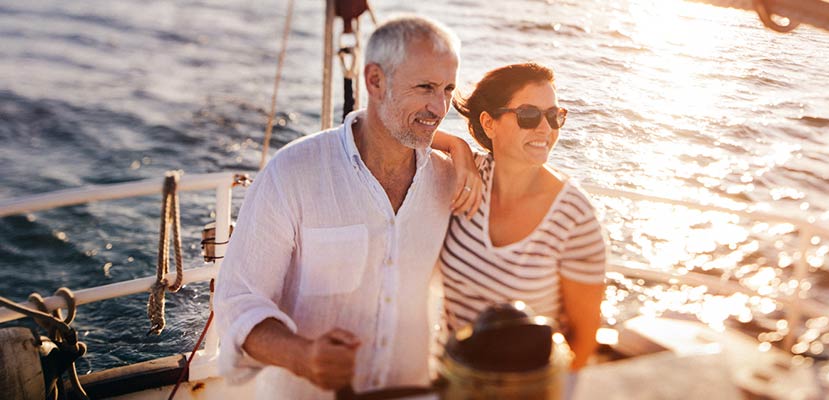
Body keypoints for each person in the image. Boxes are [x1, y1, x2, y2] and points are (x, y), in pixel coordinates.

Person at [213, 15, 480, 398]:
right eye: (425, 87)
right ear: (375, 80)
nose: (439, 107)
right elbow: (238, 301)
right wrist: (302, 355)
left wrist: (461, 146)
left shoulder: (449, 178)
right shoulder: (292, 173)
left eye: (448, 89)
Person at [436, 63, 607, 370]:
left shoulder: (575, 217)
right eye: (529, 115)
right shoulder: (465, 178)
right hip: (451, 378)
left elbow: (583, 340)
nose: (546, 128)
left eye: (555, 116)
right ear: (489, 123)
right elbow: (397, 132)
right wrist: (456, 146)